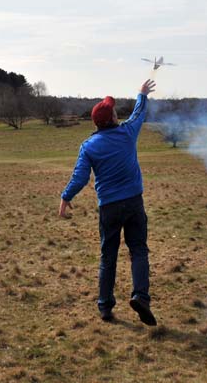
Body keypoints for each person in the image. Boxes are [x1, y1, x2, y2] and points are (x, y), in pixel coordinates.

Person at [58, 79, 157, 325]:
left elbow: (80, 177)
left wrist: (66, 197)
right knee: (139, 250)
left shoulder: (88, 146)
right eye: (113, 110)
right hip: (134, 202)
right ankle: (141, 297)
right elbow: (138, 113)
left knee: (108, 256)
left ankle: (105, 306)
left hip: (109, 207)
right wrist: (142, 94)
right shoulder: (127, 132)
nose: (115, 111)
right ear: (112, 118)